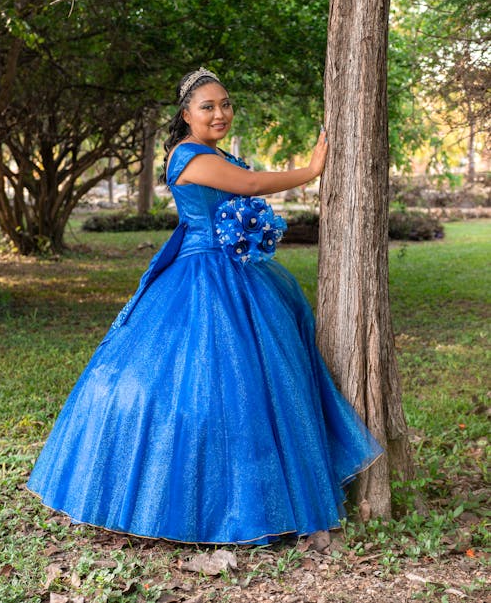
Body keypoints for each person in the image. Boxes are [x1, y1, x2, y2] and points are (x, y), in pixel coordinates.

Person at [28, 67, 383, 545]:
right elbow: (250, 186)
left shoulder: (215, 152)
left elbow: (238, 189)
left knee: (258, 385)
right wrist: (311, 170)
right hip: (201, 276)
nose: (220, 113)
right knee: (205, 383)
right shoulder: (188, 154)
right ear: (186, 115)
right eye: (207, 106)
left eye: (225, 104)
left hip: (238, 273)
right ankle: (207, 505)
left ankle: (266, 495)